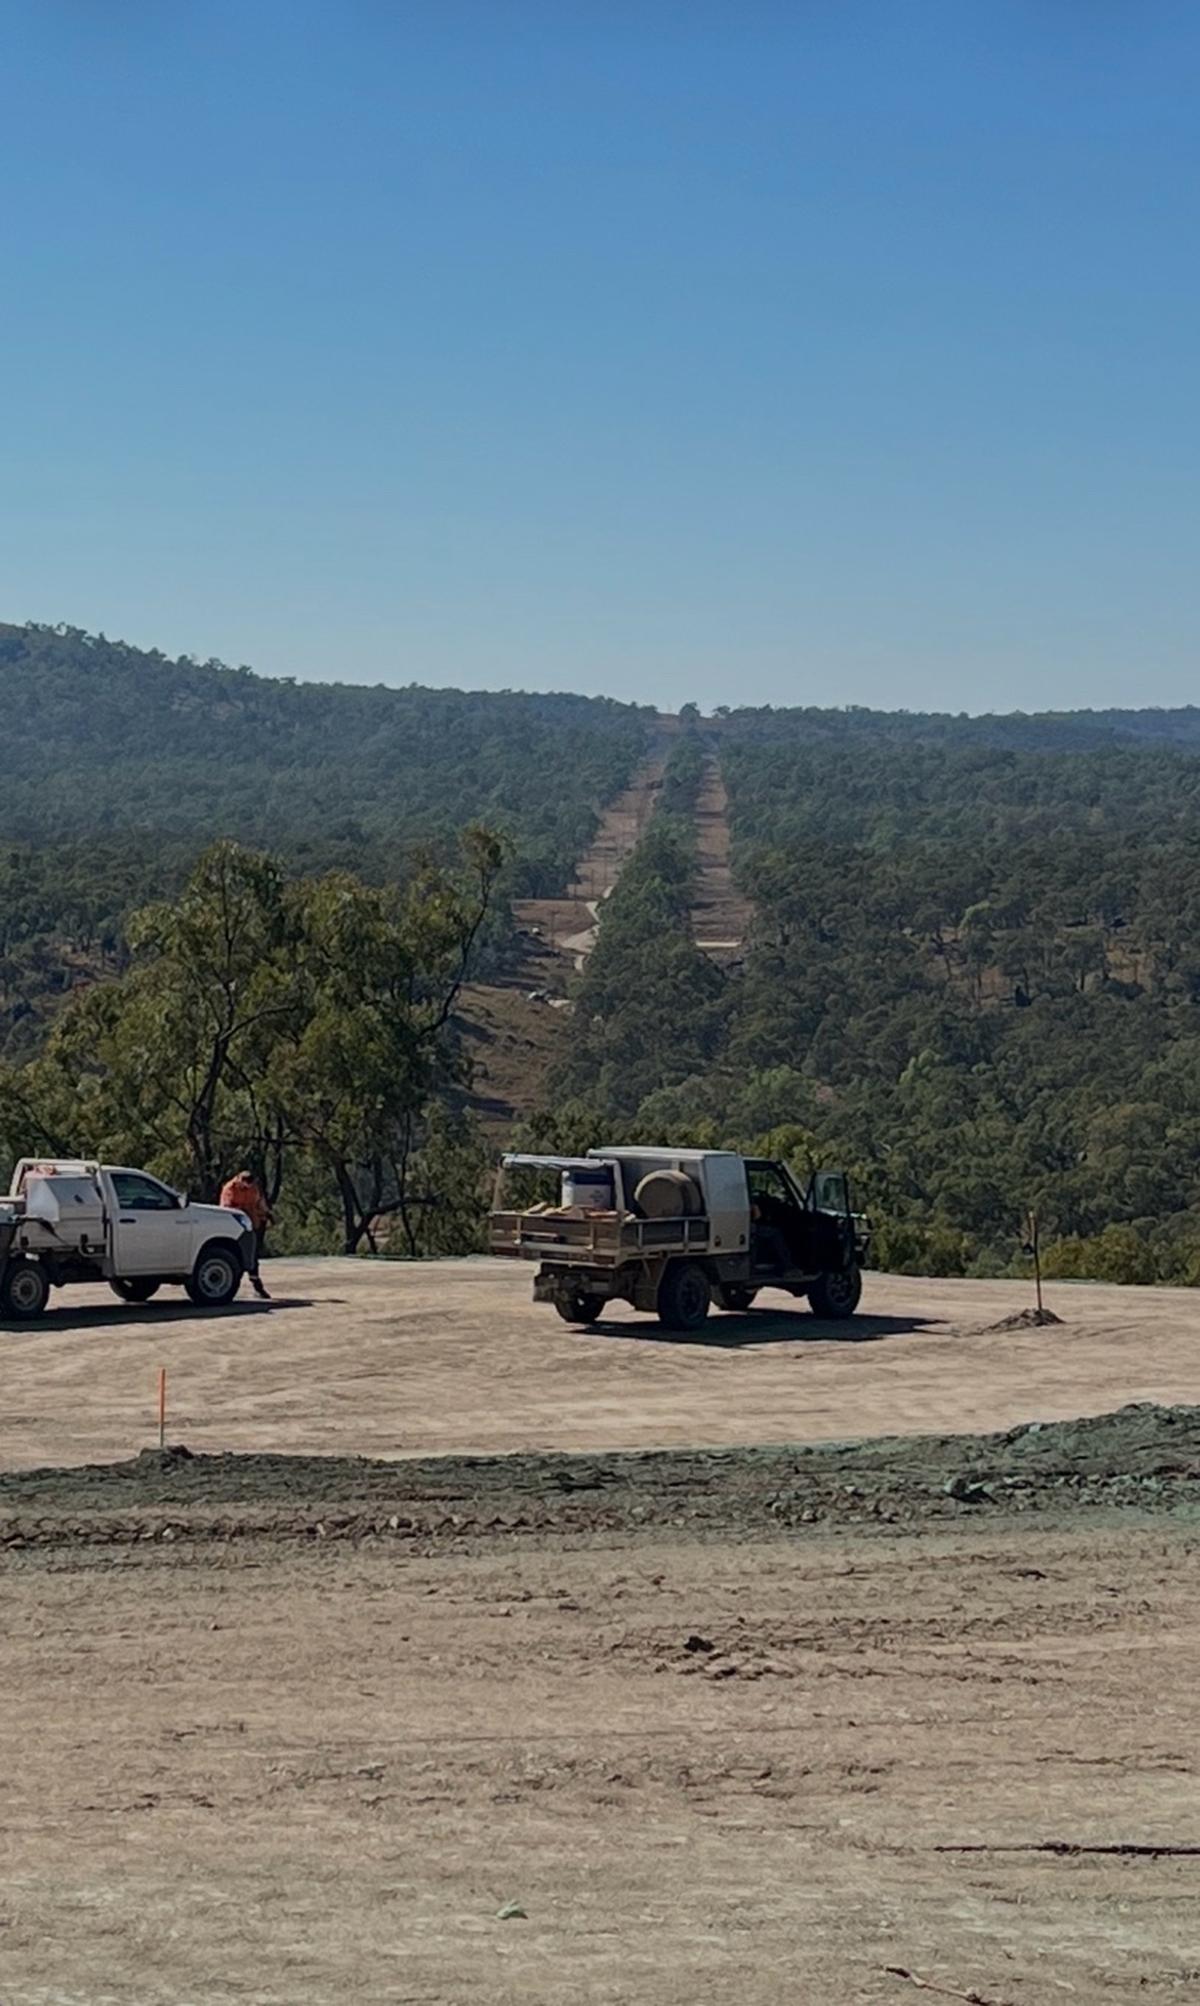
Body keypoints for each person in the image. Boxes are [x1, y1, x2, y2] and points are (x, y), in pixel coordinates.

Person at [219, 1169, 272, 1300]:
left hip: (252, 1226)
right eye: (247, 1183)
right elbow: (227, 1209)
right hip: (235, 1229)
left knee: (252, 1256)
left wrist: (267, 1213)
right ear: (240, 1180)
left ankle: (257, 1287)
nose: (249, 1186)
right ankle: (230, 1286)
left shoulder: (253, 1188)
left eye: (251, 1183)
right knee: (240, 1257)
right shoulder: (230, 1188)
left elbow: (259, 1202)